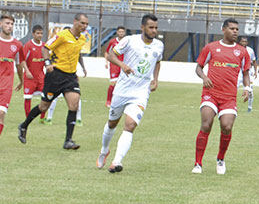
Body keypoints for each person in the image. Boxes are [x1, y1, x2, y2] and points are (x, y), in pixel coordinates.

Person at [97, 14, 163, 172]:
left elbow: (158, 61)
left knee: (130, 125)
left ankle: (117, 162)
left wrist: (156, 79)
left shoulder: (159, 45)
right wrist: (122, 65)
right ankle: (104, 150)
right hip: (122, 89)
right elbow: (111, 55)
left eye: (156, 28)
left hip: (141, 92)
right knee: (112, 123)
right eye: (151, 27)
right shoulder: (129, 40)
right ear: (142, 27)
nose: (154, 31)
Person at [19, 12, 90, 149]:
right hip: (56, 76)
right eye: (82, 23)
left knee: (74, 105)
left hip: (70, 77)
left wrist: (81, 68)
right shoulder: (62, 36)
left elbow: (77, 53)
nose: (84, 26)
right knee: (43, 106)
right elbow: (46, 48)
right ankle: (24, 125)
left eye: (86, 24)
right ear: (75, 21)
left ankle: (68, 141)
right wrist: (47, 63)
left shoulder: (81, 39)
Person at [193, 18, 251, 175]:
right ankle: (198, 163)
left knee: (226, 127)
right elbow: (198, 67)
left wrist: (247, 88)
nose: (235, 32)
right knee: (206, 124)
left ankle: (220, 159)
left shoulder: (242, 52)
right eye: (232, 29)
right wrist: (204, 77)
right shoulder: (211, 48)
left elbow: (245, 73)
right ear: (223, 30)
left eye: (237, 29)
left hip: (229, 97)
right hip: (210, 94)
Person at [0, 14, 24, 140]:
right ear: (1, 24)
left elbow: (19, 65)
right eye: (7, 23)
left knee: (2, 113)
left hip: (6, 85)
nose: (9, 26)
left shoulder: (17, 45)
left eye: (11, 24)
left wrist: (21, 81)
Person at [20, 24, 48, 119]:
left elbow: (46, 60)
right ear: (33, 34)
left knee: (46, 98)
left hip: (41, 77)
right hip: (29, 77)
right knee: (28, 98)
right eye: (38, 33)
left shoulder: (44, 46)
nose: (40, 35)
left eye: (41, 33)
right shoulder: (28, 45)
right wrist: (27, 71)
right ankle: (29, 118)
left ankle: (42, 118)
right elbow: (22, 60)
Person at [104, 26, 127, 107]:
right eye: (120, 31)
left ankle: (118, 101)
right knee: (113, 82)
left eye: (122, 32)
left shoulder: (126, 42)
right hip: (114, 64)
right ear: (117, 32)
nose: (121, 33)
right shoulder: (112, 42)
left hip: (123, 65)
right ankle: (108, 101)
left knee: (121, 84)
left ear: (124, 33)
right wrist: (106, 62)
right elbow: (107, 52)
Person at [239, 36, 256, 111]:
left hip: (248, 71)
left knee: (250, 90)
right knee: (233, 89)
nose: (244, 43)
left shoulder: (250, 50)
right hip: (238, 72)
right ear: (240, 42)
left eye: (245, 42)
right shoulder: (236, 49)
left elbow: (254, 61)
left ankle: (249, 107)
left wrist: (255, 71)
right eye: (243, 41)